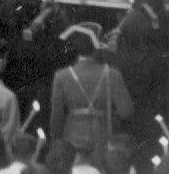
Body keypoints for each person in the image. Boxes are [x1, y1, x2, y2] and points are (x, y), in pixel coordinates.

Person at [49, 26, 133, 159]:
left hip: (72, 140)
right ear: (97, 46)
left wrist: (56, 142)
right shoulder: (112, 74)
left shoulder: (61, 76)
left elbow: (56, 118)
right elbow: (126, 111)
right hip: (103, 139)